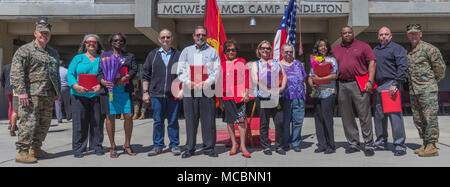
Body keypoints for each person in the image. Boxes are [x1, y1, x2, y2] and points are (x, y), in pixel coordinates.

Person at [10, 17, 61, 164]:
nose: (44, 35)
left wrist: (56, 91)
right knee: (28, 123)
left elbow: (55, 73)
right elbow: (16, 72)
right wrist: (22, 92)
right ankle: (22, 152)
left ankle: (36, 149)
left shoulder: (53, 52)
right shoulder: (25, 50)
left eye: (47, 33)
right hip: (31, 95)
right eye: (42, 33)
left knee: (44, 124)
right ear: (35, 33)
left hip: (48, 94)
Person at [332, 26, 376, 157]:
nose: (347, 34)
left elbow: (372, 63)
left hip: (359, 83)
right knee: (347, 116)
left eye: (349, 32)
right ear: (341, 34)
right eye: (344, 33)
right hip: (342, 84)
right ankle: (353, 143)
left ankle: (368, 144)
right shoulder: (335, 50)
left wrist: (370, 81)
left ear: (353, 33)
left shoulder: (363, 46)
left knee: (364, 115)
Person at [177, 26, 221, 158]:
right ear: (193, 36)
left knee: (208, 120)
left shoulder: (213, 52)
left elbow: (216, 71)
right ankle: (189, 148)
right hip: (190, 90)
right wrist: (186, 82)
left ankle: (208, 148)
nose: (200, 37)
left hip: (207, 90)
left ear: (206, 36)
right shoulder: (186, 51)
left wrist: (206, 82)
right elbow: (181, 69)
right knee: (190, 120)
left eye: (203, 35)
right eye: (198, 35)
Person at [405, 24, 446, 157]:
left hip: (427, 90)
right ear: (408, 35)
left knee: (430, 118)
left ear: (421, 34)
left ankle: (432, 146)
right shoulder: (408, 51)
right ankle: (425, 143)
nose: (414, 35)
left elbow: (440, 70)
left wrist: (431, 83)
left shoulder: (429, 49)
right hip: (414, 91)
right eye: (411, 33)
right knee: (418, 119)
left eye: (416, 33)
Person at [98, 33, 138, 158]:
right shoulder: (104, 56)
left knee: (128, 116)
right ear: (111, 42)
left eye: (120, 40)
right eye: (115, 40)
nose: (118, 42)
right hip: (110, 90)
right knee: (110, 117)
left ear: (124, 43)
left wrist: (126, 77)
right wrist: (103, 81)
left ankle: (127, 145)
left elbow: (134, 69)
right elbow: (99, 73)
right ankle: (113, 146)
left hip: (124, 90)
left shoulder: (129, 56)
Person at [143, 29, 182, 156]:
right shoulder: (152, 55)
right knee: (158, 121)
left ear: (172, 39)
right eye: (163, 37)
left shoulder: (178, 55)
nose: (165, 39)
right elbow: (146, 75)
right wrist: (145, 92)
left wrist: (181, 90)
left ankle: (174, 145)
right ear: (159, 39)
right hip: (156, 95)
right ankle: (158, 145)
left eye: (168, 37)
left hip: (173, 95)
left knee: (173, 121)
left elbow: (184, 74)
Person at [67, 34, 105, 158]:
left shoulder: (103, 59)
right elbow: (70, 74)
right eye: (88, 42)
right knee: (79, 122)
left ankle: (96, 146)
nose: (91, 44)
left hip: (97, 95)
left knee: (97, 122)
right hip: (79, 95)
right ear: (85, 44)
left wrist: (101, 86)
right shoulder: (78, 58)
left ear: (98, 44)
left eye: (94, 42)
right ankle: (79, 148)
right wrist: (75, 85)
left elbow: (108, 75)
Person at [372, 26, 408, 156]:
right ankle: (381, 143)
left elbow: (402, 66)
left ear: (391, 36)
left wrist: (395, 83)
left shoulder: (397, 48)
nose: (383, 36)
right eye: (381, 34)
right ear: (378, 36)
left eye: (386, 34)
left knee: (395, 117)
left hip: (391, 85)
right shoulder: (375, 50)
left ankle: (399, 145)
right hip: (378, 86)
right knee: (379, 116)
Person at [250, 40, 287, 156]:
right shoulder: (256, 64)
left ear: (271, 50)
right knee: (264, 123)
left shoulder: (277, 62)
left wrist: (282, 87)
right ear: (259, 50)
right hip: (263, 97)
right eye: (263, 48)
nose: (265, 50)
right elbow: (255, 80)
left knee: (279, 121)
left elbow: (284, 76)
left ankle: (279, 145)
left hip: (277, 96)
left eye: (268, 48)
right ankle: (266, 146)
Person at [218, 39, 251, 158]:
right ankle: (234, 144)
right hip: (226, 97)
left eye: (233, 50)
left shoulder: (242, 61)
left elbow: (247, 78)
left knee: (241, 121)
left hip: (240, 96)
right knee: (230, 121)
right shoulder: (221, 64)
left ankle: (243, 145)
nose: (231, 52)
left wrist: (247, 93)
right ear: (225, 52)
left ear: (236, 51)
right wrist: (220, 100)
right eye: (228, 50)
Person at [308, 39, 338, 154]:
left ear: (328, 48)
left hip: (329, 93)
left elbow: (334, 75)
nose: (323, 48)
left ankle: (331, 145)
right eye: (320, 46)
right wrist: (312, 85)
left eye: (325, 46)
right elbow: (311, 76)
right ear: (317, 48)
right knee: (319, 120)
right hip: (317, 94)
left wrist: (320, 79)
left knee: (327, 119)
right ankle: (322, 144)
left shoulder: (332, 60)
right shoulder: (314, 60)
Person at [280, 44, 306, 152]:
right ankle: (285, 143)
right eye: (286, 52)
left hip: (299, 96)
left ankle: (295, 143)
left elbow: (303, 80)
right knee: (285, 121)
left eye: (290, 51)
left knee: (298, 121)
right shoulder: (278, 64)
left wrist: (304, 92)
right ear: (282, 53)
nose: (289, 53)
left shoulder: (298, 64)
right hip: (285, 97)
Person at [1, 63, 18, 136]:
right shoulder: (18, 66)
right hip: (16, 90)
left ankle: (10, 122)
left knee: (11, 105)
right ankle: (13, 124)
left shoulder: (5, 67)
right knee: (15, 107)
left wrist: (5, 87)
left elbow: (2, 79)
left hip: (8, 89)